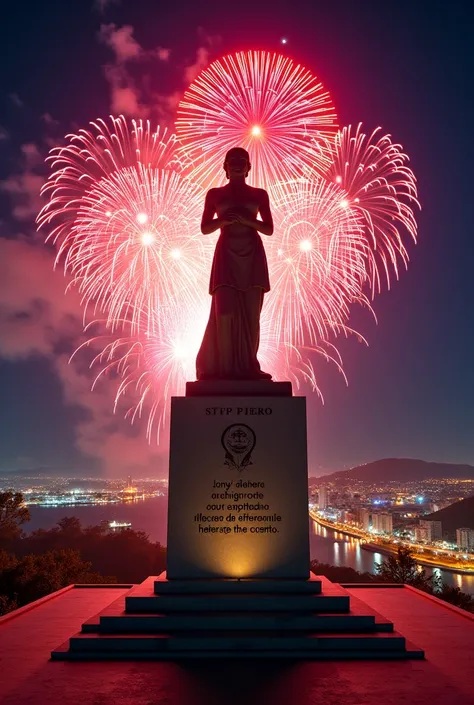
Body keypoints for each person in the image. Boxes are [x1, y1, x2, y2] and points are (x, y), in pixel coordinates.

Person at [196, 147, 274, 380]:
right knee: (225, 312)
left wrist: (249, 222)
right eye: (233, 160)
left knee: (252, 315)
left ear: (249, 167)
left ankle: (250, 367)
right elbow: (204, 228)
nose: (238, 163)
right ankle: (223, 369)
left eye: (243, 160)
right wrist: (222, 220)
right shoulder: (214, 194)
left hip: (253, 258)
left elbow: (269, 229)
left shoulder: (259, 194)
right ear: (225, 167)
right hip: (226, 257)